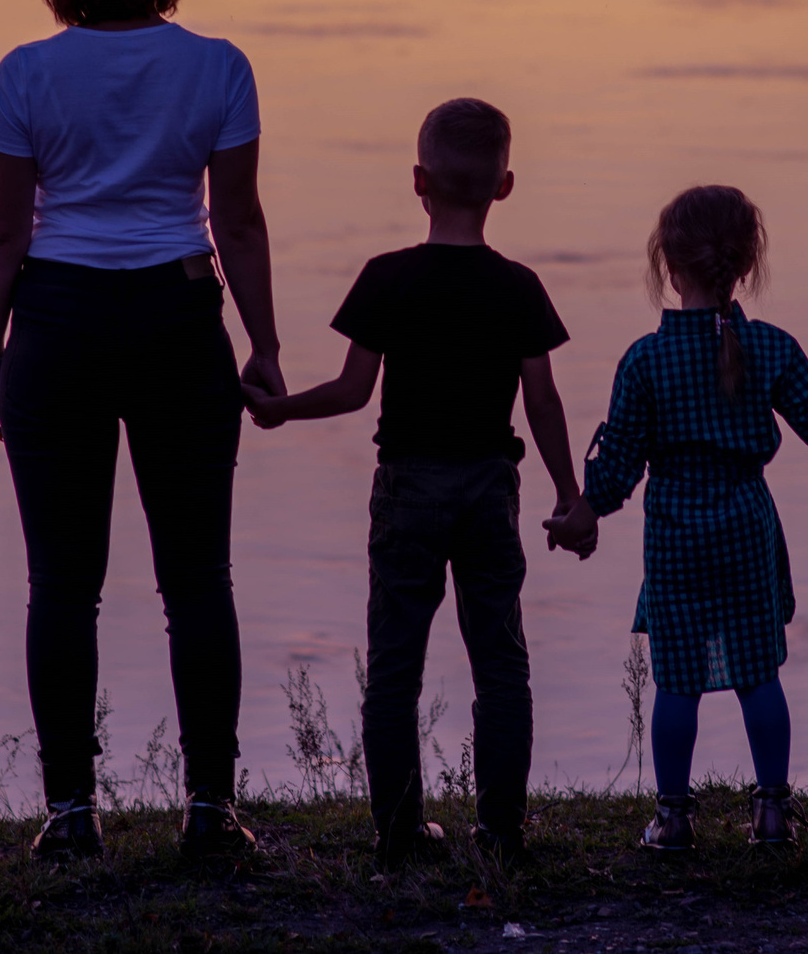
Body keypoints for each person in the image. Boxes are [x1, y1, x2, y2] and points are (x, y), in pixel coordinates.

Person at [0, 0, 286, 865]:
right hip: (178, 316)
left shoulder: (24, 73)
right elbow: (234, 219)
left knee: (61, 582)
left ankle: (71, 815)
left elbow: (2, 230)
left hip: (55, 324)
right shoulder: (217, 65)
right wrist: (266, 343)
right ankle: (209, 810)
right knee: (198, 577)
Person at [245, 98, 596, 866]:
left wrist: (277, 407)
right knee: (500, 658)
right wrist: (570, 493)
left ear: (418, 180)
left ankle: (399, 831)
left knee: (395, 661)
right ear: (504, 185)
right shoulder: (519, 287)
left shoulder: (387, 278)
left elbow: (350, 390)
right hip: (488, 487)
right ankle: (501, 829)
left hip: (407, 485)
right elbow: (542, 398)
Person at [580, 185, 808, 851]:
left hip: (673, 535)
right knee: (759, 672)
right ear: (746, 265)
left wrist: (579, 506)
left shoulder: (644, 360)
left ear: (669, 265)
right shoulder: (772, 348)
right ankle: (773, 811)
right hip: (747, 525)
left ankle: (672, 817)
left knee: (677, 679)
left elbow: (616, 475)